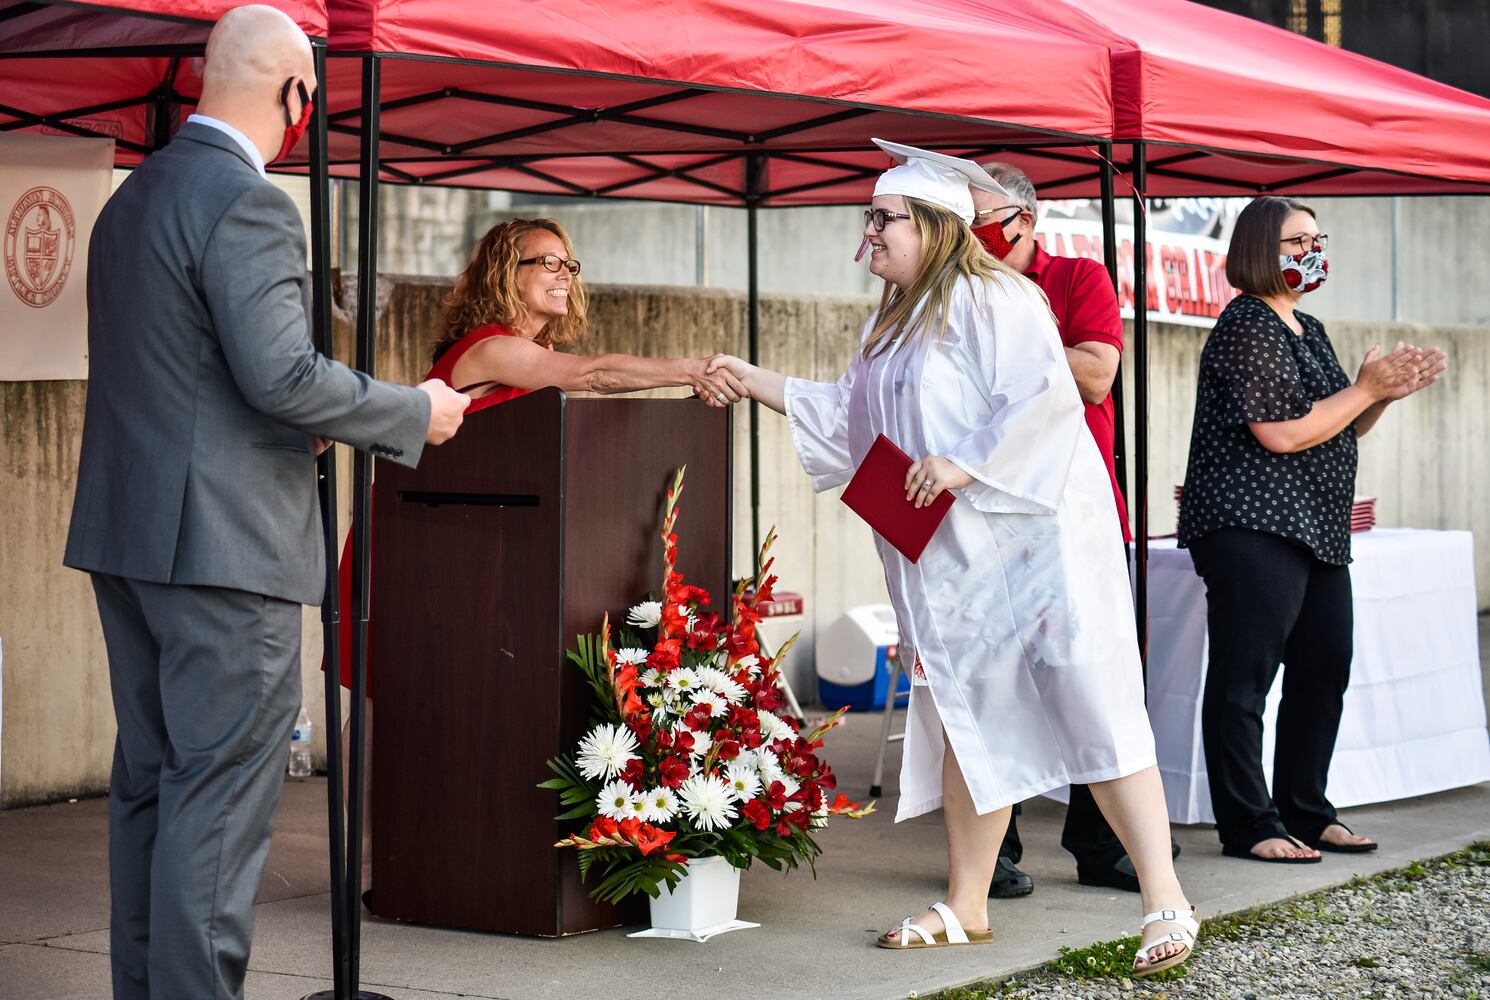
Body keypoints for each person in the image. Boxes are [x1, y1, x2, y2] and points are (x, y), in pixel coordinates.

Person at [709, 140, 1197, 977]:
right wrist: (754, 379)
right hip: (957, 560)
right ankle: (967, 904)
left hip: (1036, 546)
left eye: (883, 218)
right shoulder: (891, 322)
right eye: (869, 217)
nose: (870, 234)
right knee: (972, 714)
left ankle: (1164, 899)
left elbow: (1048, 396)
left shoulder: (993, 297)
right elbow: (854, 422)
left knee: (1094, 702)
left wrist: (964, 462)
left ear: (934, 225)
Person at [61, 7, 469, 998]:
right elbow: (281, 374)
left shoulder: (133, 198)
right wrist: (410, 409)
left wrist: (303, 418)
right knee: (219, 800)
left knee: (152, 793)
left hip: (128, 533)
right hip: (225, 547)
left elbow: (192, 378)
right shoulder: (248, 203)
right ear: (295, 93)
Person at [329, 217, 747, 858]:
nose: (563, 274)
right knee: (396, 694)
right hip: (416, 537)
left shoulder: (535, 361)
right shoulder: (489, 345)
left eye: (568, 265)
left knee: (439, 696)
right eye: (545, 262)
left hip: (476, 549)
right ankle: (363, 850)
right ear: (505, 272)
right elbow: (596, 375)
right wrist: (691, 368)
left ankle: (423, 844)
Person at [1178, 196, 1444, 863]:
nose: (1313, 250)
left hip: (1316, 527)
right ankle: (1249, 824)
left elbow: (1340, 423)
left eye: (1317, 238)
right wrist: (1364, 388)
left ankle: (1307, 808)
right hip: (1253, 524)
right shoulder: (1246, 324)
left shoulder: (1309, 327)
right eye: (1299, 240)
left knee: (1324, 668)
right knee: (1246, 677)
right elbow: (1281, 433)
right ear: (1261, 250)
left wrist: (1376, 393)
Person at [967, 163, 1162, 899]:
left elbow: (1095, 375)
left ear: (1026, 220)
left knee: (1095, 673)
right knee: (997, 677)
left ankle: (1101, 843)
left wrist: (1019, 316)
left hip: (1075, 515)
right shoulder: (954, 294)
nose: (977, 236)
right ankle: (997, 850)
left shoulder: (1077, 278)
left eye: (987, 219)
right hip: (988, 511)